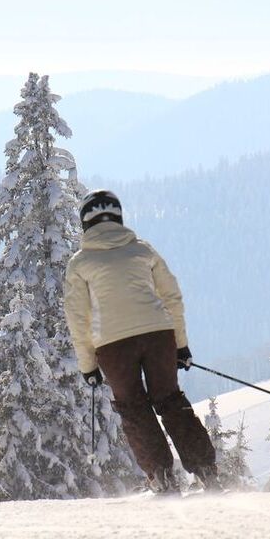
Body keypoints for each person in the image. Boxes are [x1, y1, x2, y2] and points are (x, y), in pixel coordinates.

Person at [63, 189, 219, 493]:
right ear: (118, 217)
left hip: (113, 345)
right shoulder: (143, 250)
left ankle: (162, 479)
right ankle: (207, 473)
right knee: (170, 399)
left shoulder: (79, 263)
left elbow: (77, 319)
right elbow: (172, 297)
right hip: (158, 335)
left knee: (134, 409)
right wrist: (180, 345)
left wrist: (88, 365)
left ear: (85, 222)